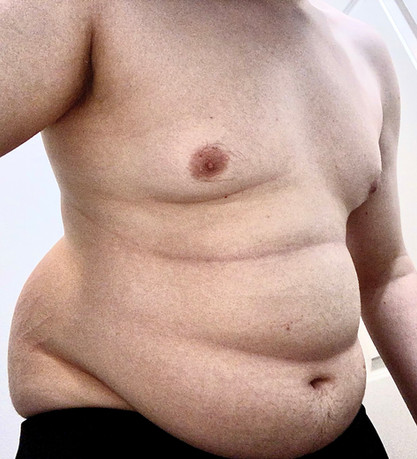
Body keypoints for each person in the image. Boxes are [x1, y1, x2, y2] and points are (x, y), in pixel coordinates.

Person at [2, 0, 415, 457]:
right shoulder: (89, 9)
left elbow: (388, 274)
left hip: (344, 437)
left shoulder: (364, 52)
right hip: (119, 427)